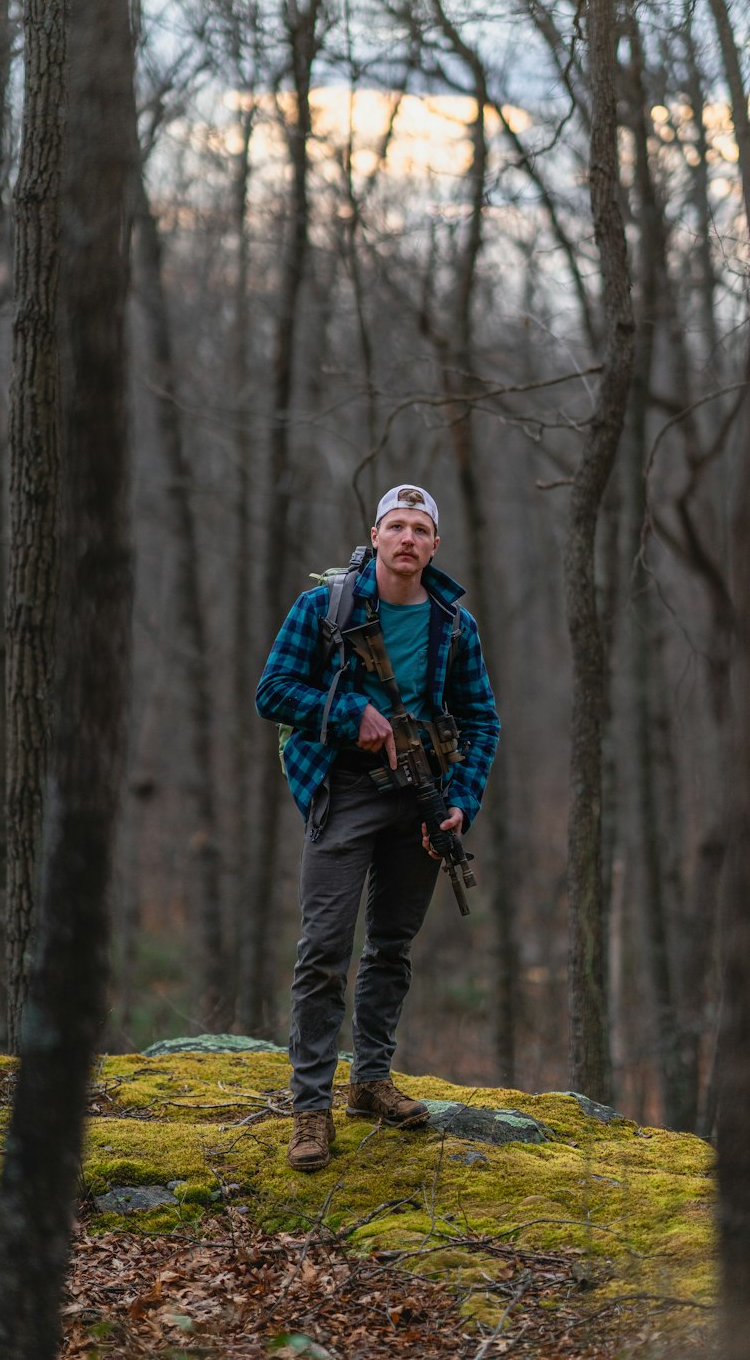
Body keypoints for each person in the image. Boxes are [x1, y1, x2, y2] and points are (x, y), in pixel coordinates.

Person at [256, 483, 500, 1171]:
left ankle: (369, 1081)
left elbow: (483, 720)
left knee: (391, 946)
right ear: (374, 535)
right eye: (397, 525)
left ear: (435, 544)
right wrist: (348, 714)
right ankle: (310, 1109)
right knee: (324, 948)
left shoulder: (456, 625)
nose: (408, 539)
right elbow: (271, 690)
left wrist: (461, 801)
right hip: (342, 790)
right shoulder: (324, 607)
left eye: (421, 529)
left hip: (420, 800)